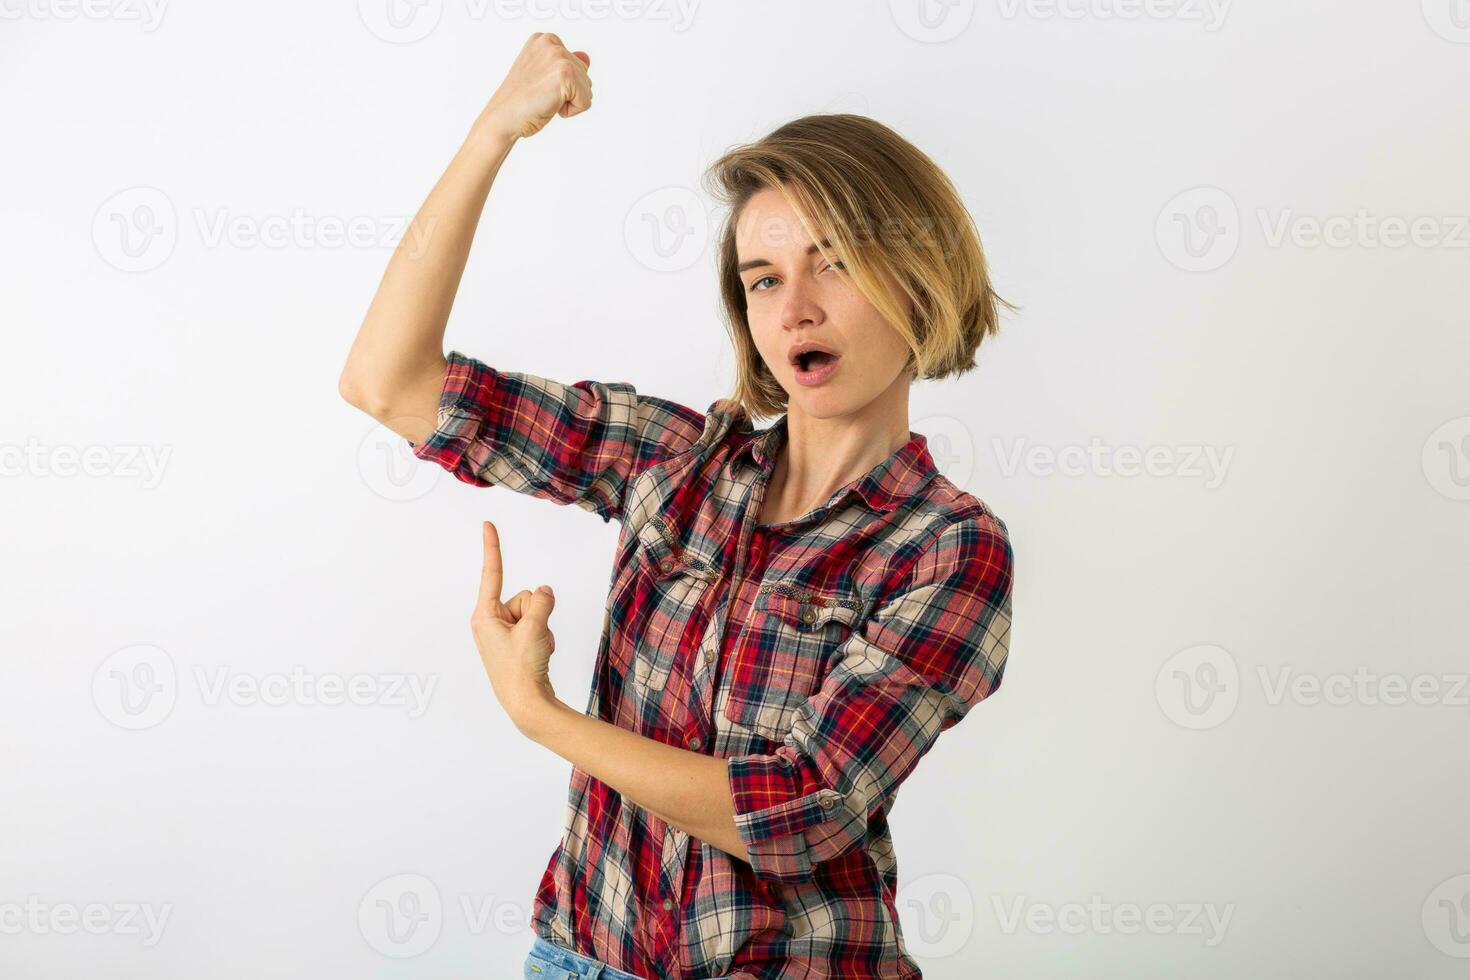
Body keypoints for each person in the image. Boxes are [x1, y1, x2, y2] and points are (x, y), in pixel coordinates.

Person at [339, 31, 1016, 980]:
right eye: (764, 280)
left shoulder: (948, 548)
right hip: (577, 960)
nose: (795, 311)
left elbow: (802, 812)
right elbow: (388, 381)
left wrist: (541, 715)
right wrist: (496, 130)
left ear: (919, 274)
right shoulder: (675, 461)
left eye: (835, 264)